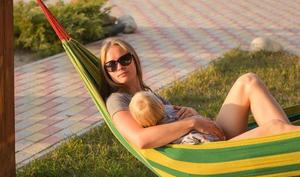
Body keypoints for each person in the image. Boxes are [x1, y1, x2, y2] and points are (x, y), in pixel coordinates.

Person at [100, 38, 300, 149]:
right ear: (106, 71)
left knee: (249, 81)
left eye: (124, 59)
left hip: (212, 137)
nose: (119, 66)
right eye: (111, 64)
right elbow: (141, 140)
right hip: (210, 154)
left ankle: (289, 150)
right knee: (275, 128)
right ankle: (289, 143)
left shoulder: (149, 94)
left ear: (134, 60)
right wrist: (193, 122)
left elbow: (171, 122)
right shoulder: (118, 99)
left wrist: (192, 113)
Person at [129, 91, 222, 144]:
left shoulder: (155, 130)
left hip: (194, 138)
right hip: (207, 130)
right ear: (161, 104)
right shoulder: (170, 108)